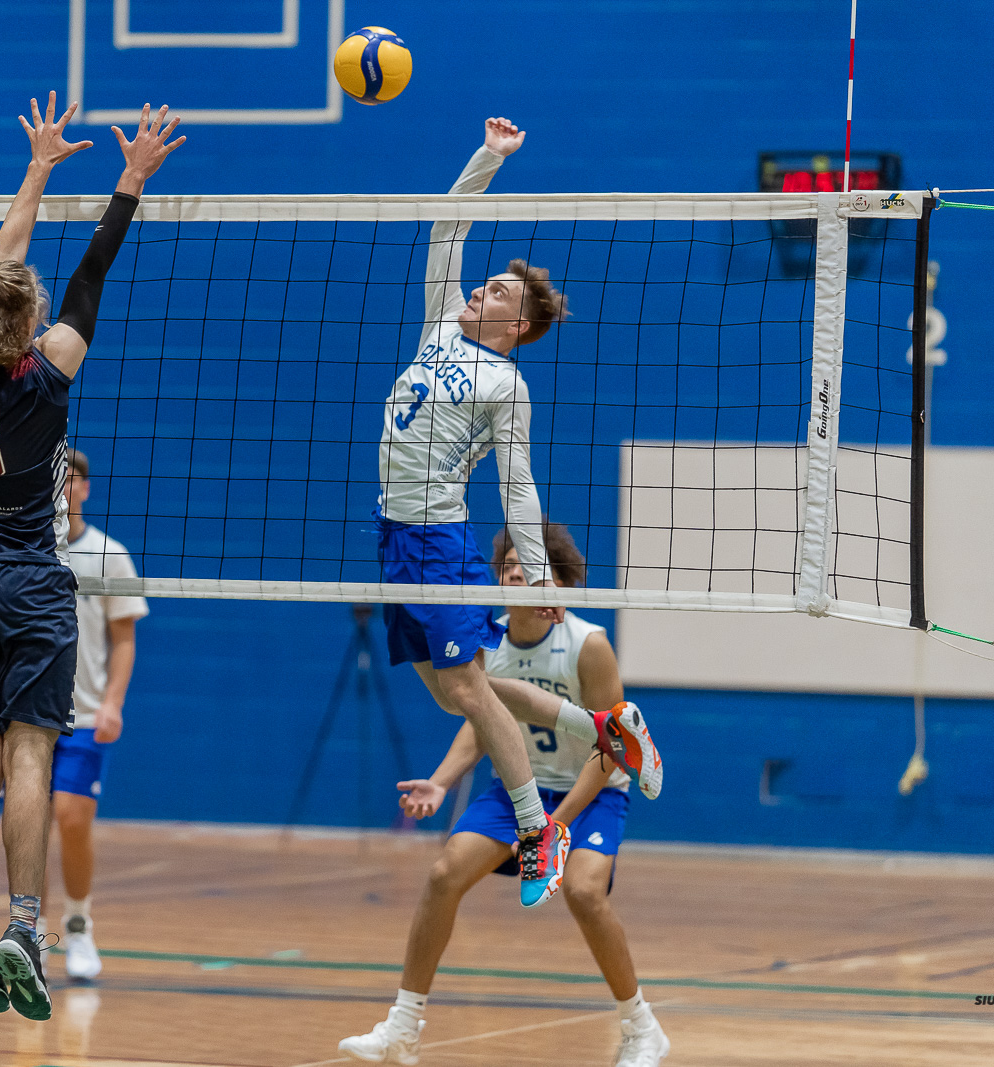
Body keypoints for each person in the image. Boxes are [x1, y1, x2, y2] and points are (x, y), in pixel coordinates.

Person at [0, 94, 182, 1019]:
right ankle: (25, 930)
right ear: (29, 316)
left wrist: (37, 168)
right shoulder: (50, 369)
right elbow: (92, 272)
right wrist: (128, 178)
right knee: (30, 757)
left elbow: (0, 267)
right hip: (33, 579)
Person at [375, 117, 663, 909]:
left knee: (472, 690)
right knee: (456, 690)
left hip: (436, 536)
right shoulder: (441, 323)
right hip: (395, 535)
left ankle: (537, 831)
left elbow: (521, 484)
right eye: (486, 281)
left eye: (497, 290)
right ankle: (605, 728)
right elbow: (447, 223)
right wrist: (489, 158)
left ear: (519, 326)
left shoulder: (507, 384)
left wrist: (532, 563)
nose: (480, 288)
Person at [340, 521, 670, 1067]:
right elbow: (479, 723)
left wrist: (555, 826)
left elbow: (610, 749)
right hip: (518, 788)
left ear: (557, 582)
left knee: (584, 892)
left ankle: (641, 1028)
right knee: (445, 874)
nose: (516, 571)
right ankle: (403, 1027)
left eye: (531, 565)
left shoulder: (588, 645)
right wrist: (441, 781)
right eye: (509, 563)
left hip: (589, 790)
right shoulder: (482, 642)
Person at [51, 448, 148, 980]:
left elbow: (125, 638)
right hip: (28, 716)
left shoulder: (112, 555)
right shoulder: (25, 549)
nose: (64, 488)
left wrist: (113, 703)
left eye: (71, 479)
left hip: (85, 715)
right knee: (24, 825)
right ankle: (30, 934)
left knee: (71, 819)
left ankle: (79, 925)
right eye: (54, 479)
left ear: (85, 488)